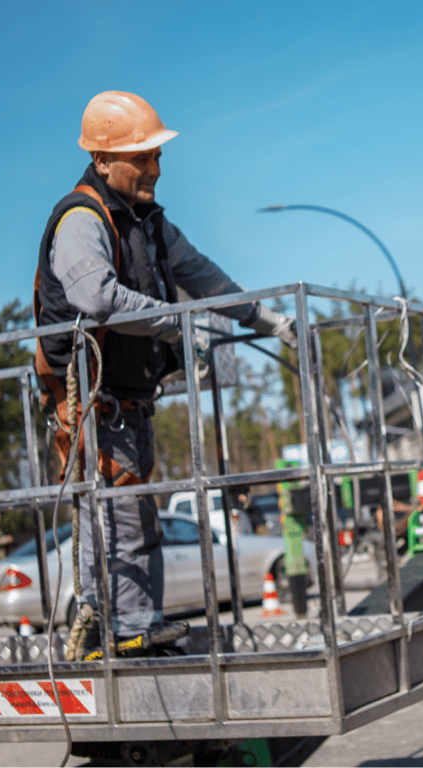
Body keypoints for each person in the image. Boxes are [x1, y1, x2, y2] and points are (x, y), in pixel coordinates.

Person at [35, 91, 297, 658]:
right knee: (118, 522)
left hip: (131, 402)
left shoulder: (148, 223)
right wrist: (173, 327)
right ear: (103, 161)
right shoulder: (83, 220)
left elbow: (202, 277)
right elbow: (95, 297)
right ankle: (117, 632)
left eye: (156, 156)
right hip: (91, 408)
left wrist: (265, 318)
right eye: (141, 157)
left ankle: (134, 631)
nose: (154, 168)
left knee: (137, 521)